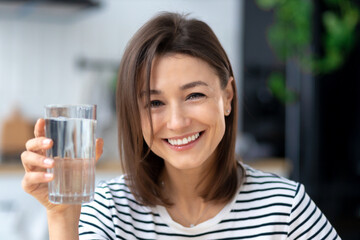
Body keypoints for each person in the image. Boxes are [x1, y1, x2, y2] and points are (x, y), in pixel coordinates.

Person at [21, 12, 340, 240]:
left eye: (195, 95)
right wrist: (61, 216)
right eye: (155, 103)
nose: (177, 122)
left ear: (227, 97)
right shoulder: (107, 214)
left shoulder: (285, 210)